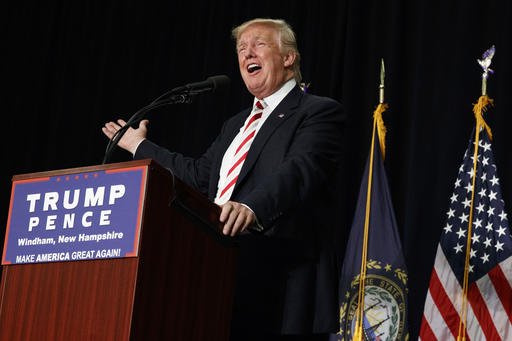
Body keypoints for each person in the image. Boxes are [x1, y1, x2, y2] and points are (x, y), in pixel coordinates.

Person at [102, 18, 346, 341]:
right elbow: (197, 178)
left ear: (289, 57)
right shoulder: (235, 125)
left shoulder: (317, 112)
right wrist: (139, 146)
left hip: (280, 287)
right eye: (241, 49)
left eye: (258, 44)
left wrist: (251, 207)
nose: (247, 54)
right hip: (216, 277)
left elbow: (299, 170)